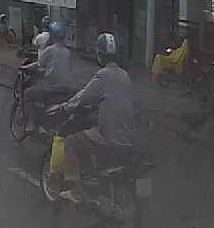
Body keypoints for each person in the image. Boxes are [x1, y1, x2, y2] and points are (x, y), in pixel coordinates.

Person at [50, 32, 136, 202]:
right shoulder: (125, 75)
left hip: (108, 136)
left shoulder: (103, 75)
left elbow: (83, 97)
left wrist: (64, 108)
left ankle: (76, 190)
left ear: (100, 55)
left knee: (71, 142)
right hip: (127, 136)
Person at [20, 21, 75, 126]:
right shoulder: (68, 52)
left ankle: (31, 124)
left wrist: (24, 68)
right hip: (67, 88)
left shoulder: (50, 50)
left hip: (52, 87)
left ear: (52, 36)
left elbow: (37, 65)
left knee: (28, 93)